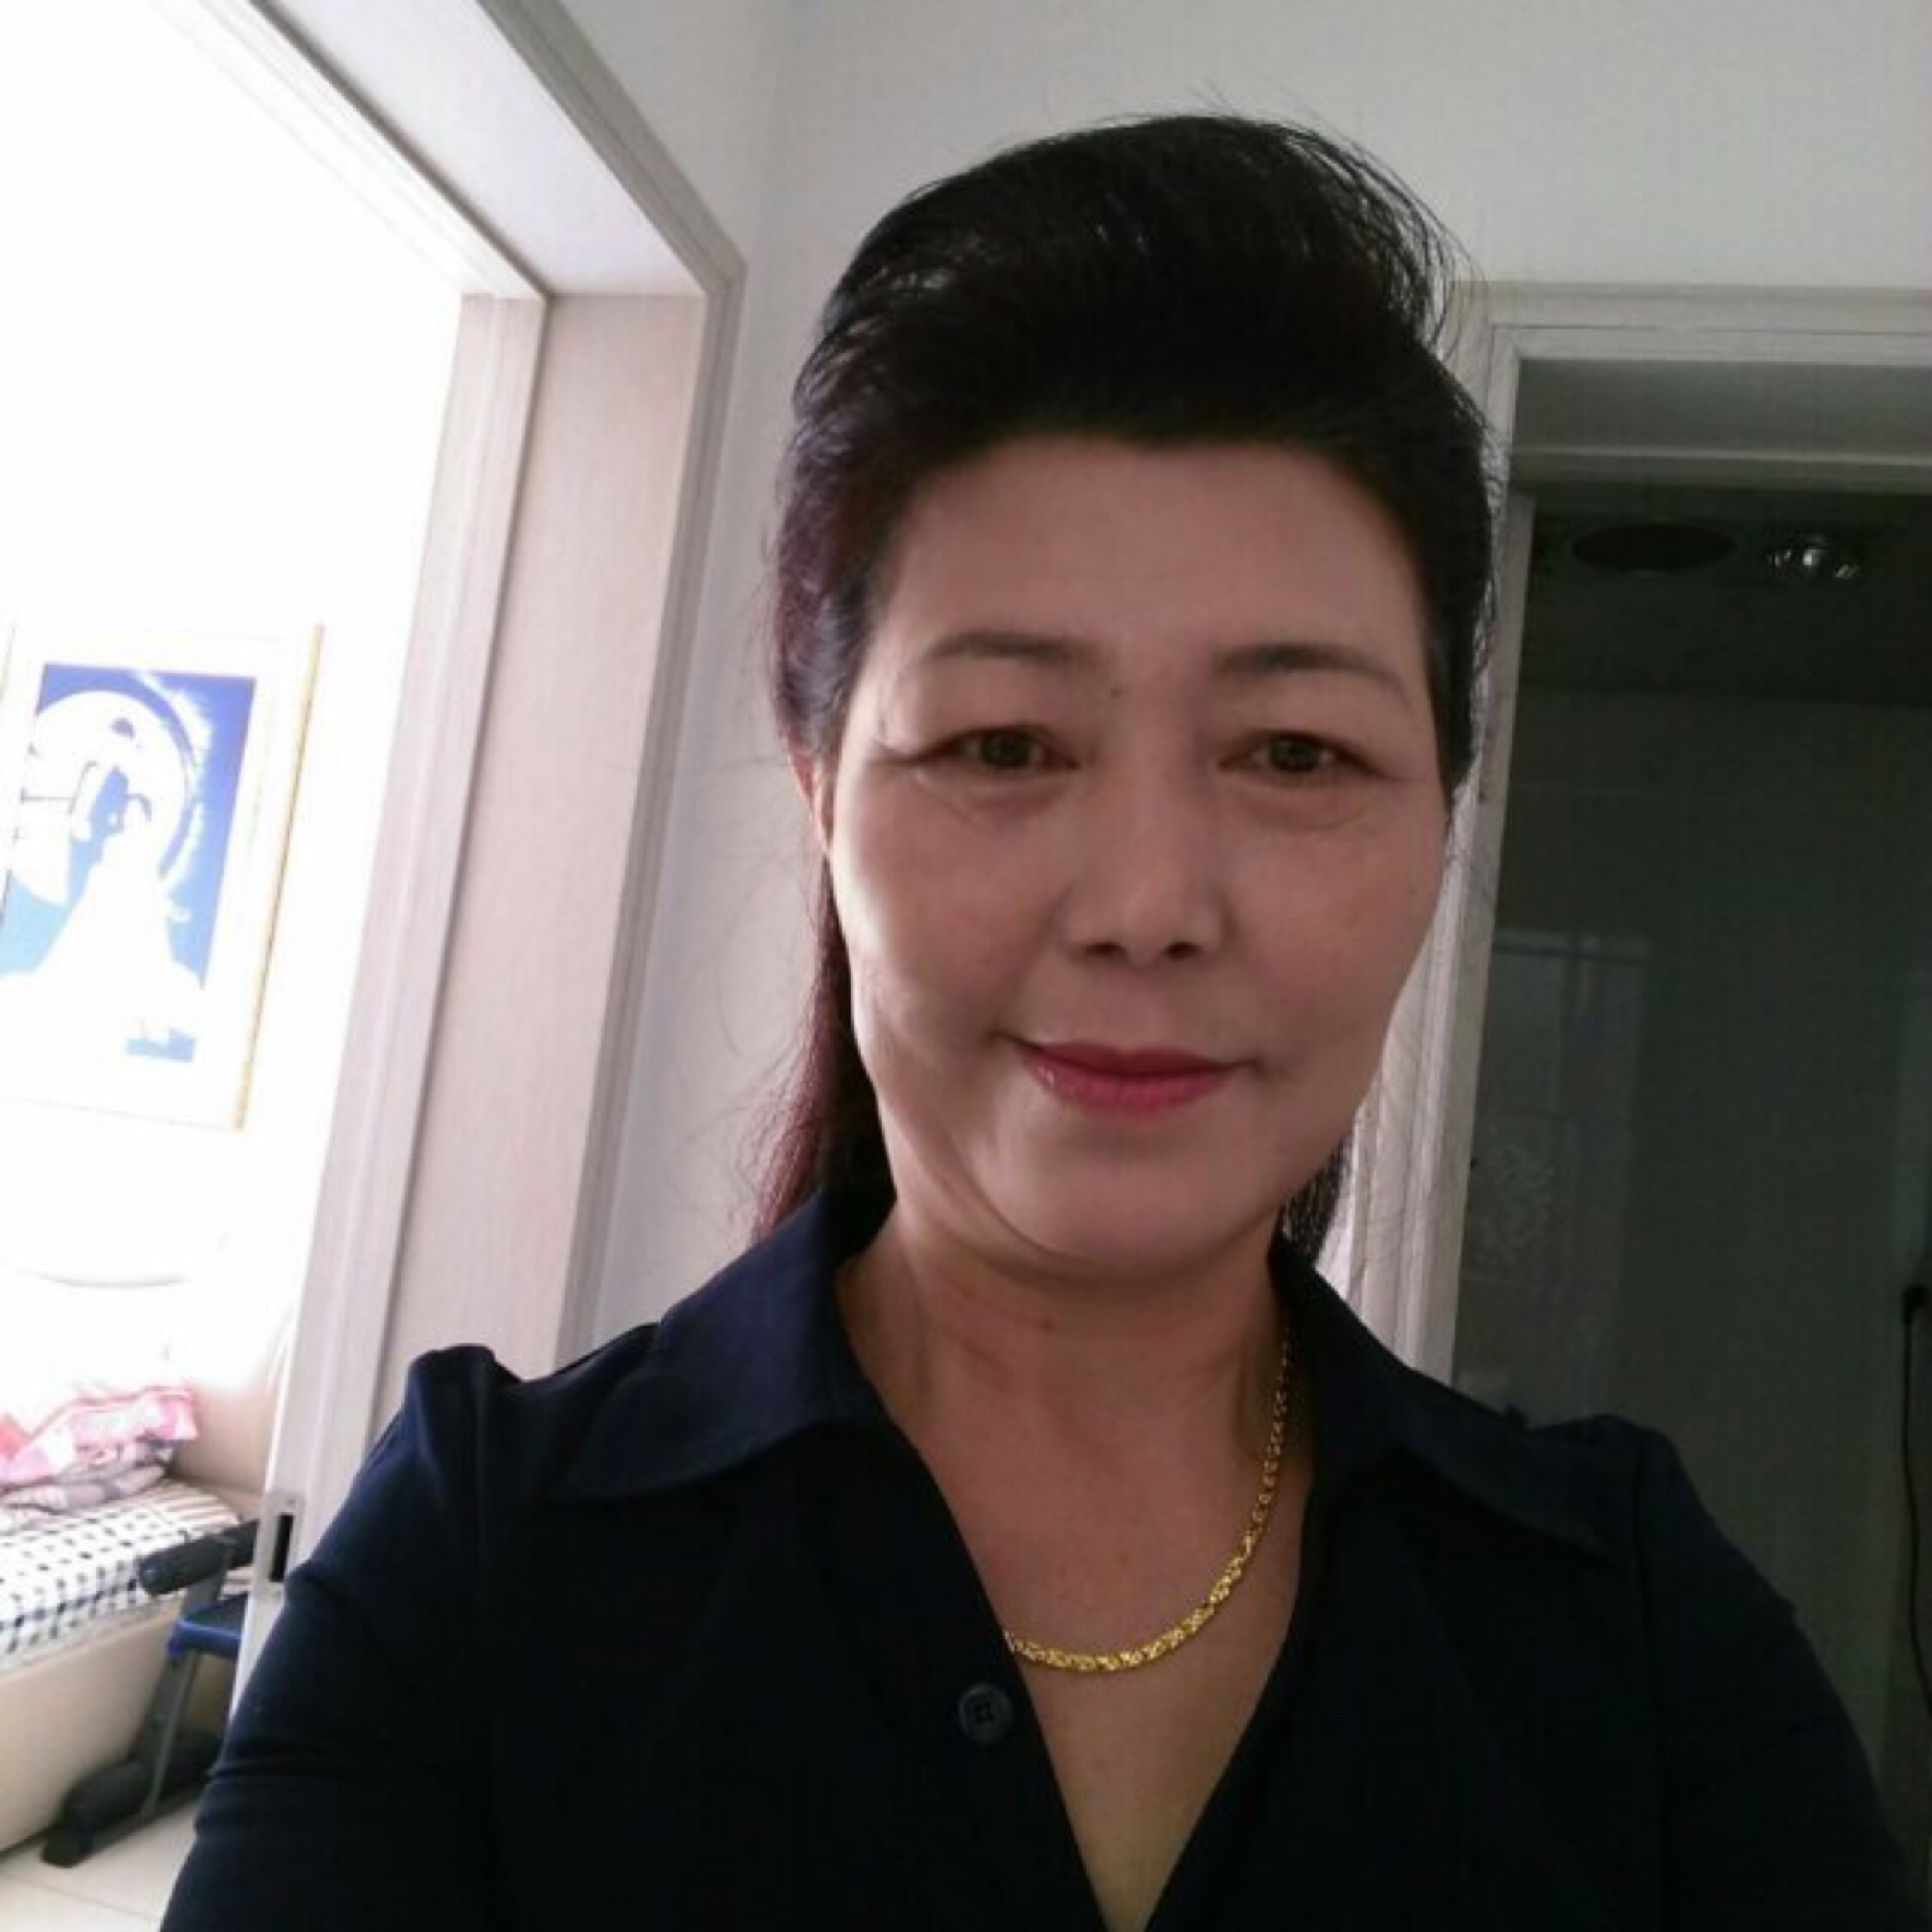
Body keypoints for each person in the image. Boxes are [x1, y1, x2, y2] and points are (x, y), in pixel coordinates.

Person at [160, 113, 1925, 1931]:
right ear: (821, 793)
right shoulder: (480, 1568)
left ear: (1439, 819)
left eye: (1296, 752)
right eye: (1003, 744)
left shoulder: (1636, 1628)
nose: (1147, 904)